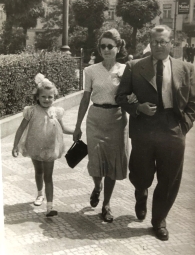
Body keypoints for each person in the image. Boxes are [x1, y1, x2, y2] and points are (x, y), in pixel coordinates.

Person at [116, 25, 195, 241]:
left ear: (172, 43)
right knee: (140, 173)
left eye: (163, 41)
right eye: (155, 42)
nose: (159, 45)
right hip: (144, 127)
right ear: (150, 44)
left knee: (169, 178)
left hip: (172, 127)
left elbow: (193, 102)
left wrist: (184, 126)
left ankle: (159, 220)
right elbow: (121, 96)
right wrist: (137, 108)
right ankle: (141, 192)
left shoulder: (186, 68)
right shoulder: (134, 66)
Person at [73, 29, 130, 223]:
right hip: (95, 118)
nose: (106, 50)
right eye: (103, 46)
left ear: (118, 47)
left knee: (113, 162)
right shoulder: (90, 71)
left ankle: (106, 204)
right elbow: (85, 99)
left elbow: (131, 97)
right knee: (96, 162)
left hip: (117, 119)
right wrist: (77, 125)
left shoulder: (125, 70)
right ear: (99, 48)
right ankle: (97, 187)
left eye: (110, 46)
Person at [12, 73, 74, 217]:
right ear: (37, 97)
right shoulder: (31, 111)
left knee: (48, 176)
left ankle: (50, 207)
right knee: (38, 172)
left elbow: (64, 129)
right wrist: (15, 145)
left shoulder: (57, 112)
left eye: (50, 97)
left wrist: (77, 131)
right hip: (35, 145)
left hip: (50, 148)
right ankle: (40, 194)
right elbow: (21, 128)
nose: (47, 99)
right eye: (44, 96)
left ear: (54, 97)